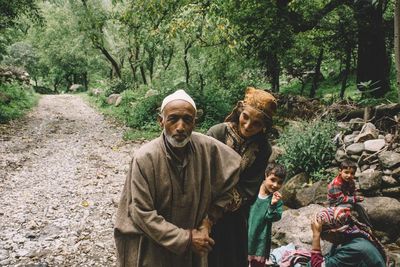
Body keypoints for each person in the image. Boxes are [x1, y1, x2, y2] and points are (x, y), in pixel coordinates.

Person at [114, 89, 242, 267]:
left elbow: (232, 175)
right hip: (155, 243)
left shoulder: (207, 148)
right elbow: (141, 213)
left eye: (187, 120)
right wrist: (187, 238)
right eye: (173, 119)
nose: (180, 127)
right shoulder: (145, 158)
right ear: (161, 121)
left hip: (194, 249)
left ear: (194, 123)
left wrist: (208, 221)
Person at [207, 86, 277, 267]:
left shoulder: (263, 149)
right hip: (205, 204)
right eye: (245, 117)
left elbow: (249, 186)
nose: (247, 126)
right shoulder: (217, 133)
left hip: (234, 212)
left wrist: (221, 208)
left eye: (256, 124)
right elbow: (202, 170)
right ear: (239, 111)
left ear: (264, 127)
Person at [310, 206, 387, 267]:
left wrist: (316, 236)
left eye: (322, 234)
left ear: (334, 232)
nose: (322, 238)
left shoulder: (353, 249)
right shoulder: (350, 240)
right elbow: (328, 259)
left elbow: (318, 265)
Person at [248, 163, 286, 267]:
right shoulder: (252, 191)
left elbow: (273, 217)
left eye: (279, 182)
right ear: (265, 175)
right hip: (244, 238)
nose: (275, 185)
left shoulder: (276, 200)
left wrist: (273, 204)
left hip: (260, 243)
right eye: (273, 180)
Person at [327, 160, 372, 227]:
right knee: (350, 206)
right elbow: (341, 199)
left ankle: (368, 225)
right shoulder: (336, 184)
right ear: (340, 171)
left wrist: (356, 196)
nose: (349, 175)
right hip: (335, 203)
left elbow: (353, 191)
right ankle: (352, 225)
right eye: (346, 172)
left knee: (360, 207)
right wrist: (354, 198)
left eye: (352, 173)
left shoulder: (350, 181)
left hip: (346, 200)